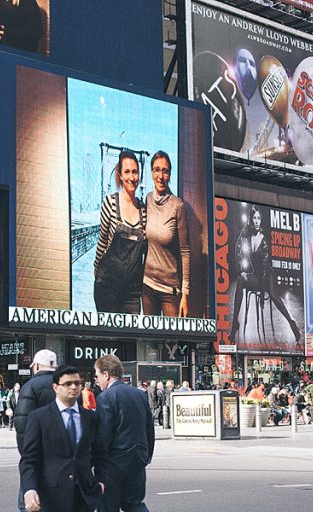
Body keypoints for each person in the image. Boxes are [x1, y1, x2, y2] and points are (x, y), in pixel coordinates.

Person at [19, 366, 107, 512]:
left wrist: (101, 481)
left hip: (85, 494)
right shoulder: (39, 417)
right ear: (55, 387)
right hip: (52, 495)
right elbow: (29, 458)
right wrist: (29, 489)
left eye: (77, 383)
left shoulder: (91, 417)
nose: (74, 387)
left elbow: (101, 453)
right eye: (67, 384)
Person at [229, 205, 301, 344]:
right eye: (254, 218)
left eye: (259, 218)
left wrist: (262, 295)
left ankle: (292, 323)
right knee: (240, 280)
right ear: (251, 219)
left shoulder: (264, 241)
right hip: (256, 275)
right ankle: (235, 324)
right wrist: (241, 272)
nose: (257, 221)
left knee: (273, 295)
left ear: (261, 220)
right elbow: (237, 249)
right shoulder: (246, 232)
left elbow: (263, 269)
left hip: (267, 275)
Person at [94, 354, 154, 512]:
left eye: (97, 376)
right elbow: (149, 428)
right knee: (134, 504)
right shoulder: (139, 395)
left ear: (106, 374)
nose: (97, 381)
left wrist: (96, 463)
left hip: (114, 463)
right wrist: (146, 455)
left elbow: (103, 436)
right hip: (138, 458)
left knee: (107, 505)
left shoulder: (105, 397)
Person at [93, 151, 148, 314]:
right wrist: (97, 273)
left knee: (131, 338)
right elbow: (102, 242)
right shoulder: (109, 203)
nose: (132, 177)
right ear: (120, 175)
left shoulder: (144, 210)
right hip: (107, 286)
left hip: (131, 292)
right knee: (109, 338)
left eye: (135, 172)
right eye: (127, 172)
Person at [143, 151, 191, 318]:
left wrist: (185, 294)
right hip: (146, 287)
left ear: (170, 174)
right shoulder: (147, 200)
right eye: (156, 170)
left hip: (169, 291)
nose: (160, 176)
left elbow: (185, 251)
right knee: (150, 344)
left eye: (165, 171)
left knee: (172, 344)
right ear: (151, 173)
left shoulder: (177, 206)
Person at [14, 349, 58, 512]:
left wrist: (27, 455)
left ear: (37, 366)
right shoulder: (66, 385)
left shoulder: (30, 386)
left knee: (26, 503)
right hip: (62, 455)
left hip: (37, 452)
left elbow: (22, 423)